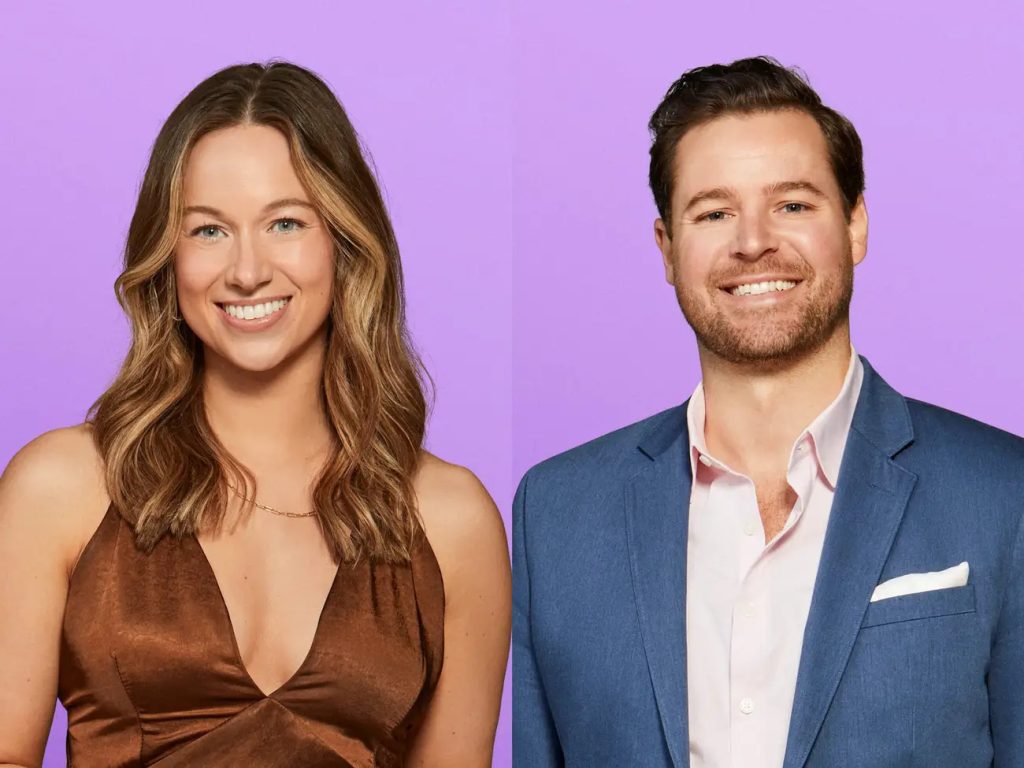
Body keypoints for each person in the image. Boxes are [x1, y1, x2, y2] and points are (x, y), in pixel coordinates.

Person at [513, 56, 1024, 767]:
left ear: (855, 225)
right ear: (667, 248)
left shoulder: (1005, 496)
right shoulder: (557, 515)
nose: (753, 241)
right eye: (715, 212)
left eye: (792, 204)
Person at [0, 61, 510, 767]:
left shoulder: (452, 524)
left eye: (286, 223)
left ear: (345, 240)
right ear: (166, 255)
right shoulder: (59, 488)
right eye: (208, 231)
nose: (247, 271)